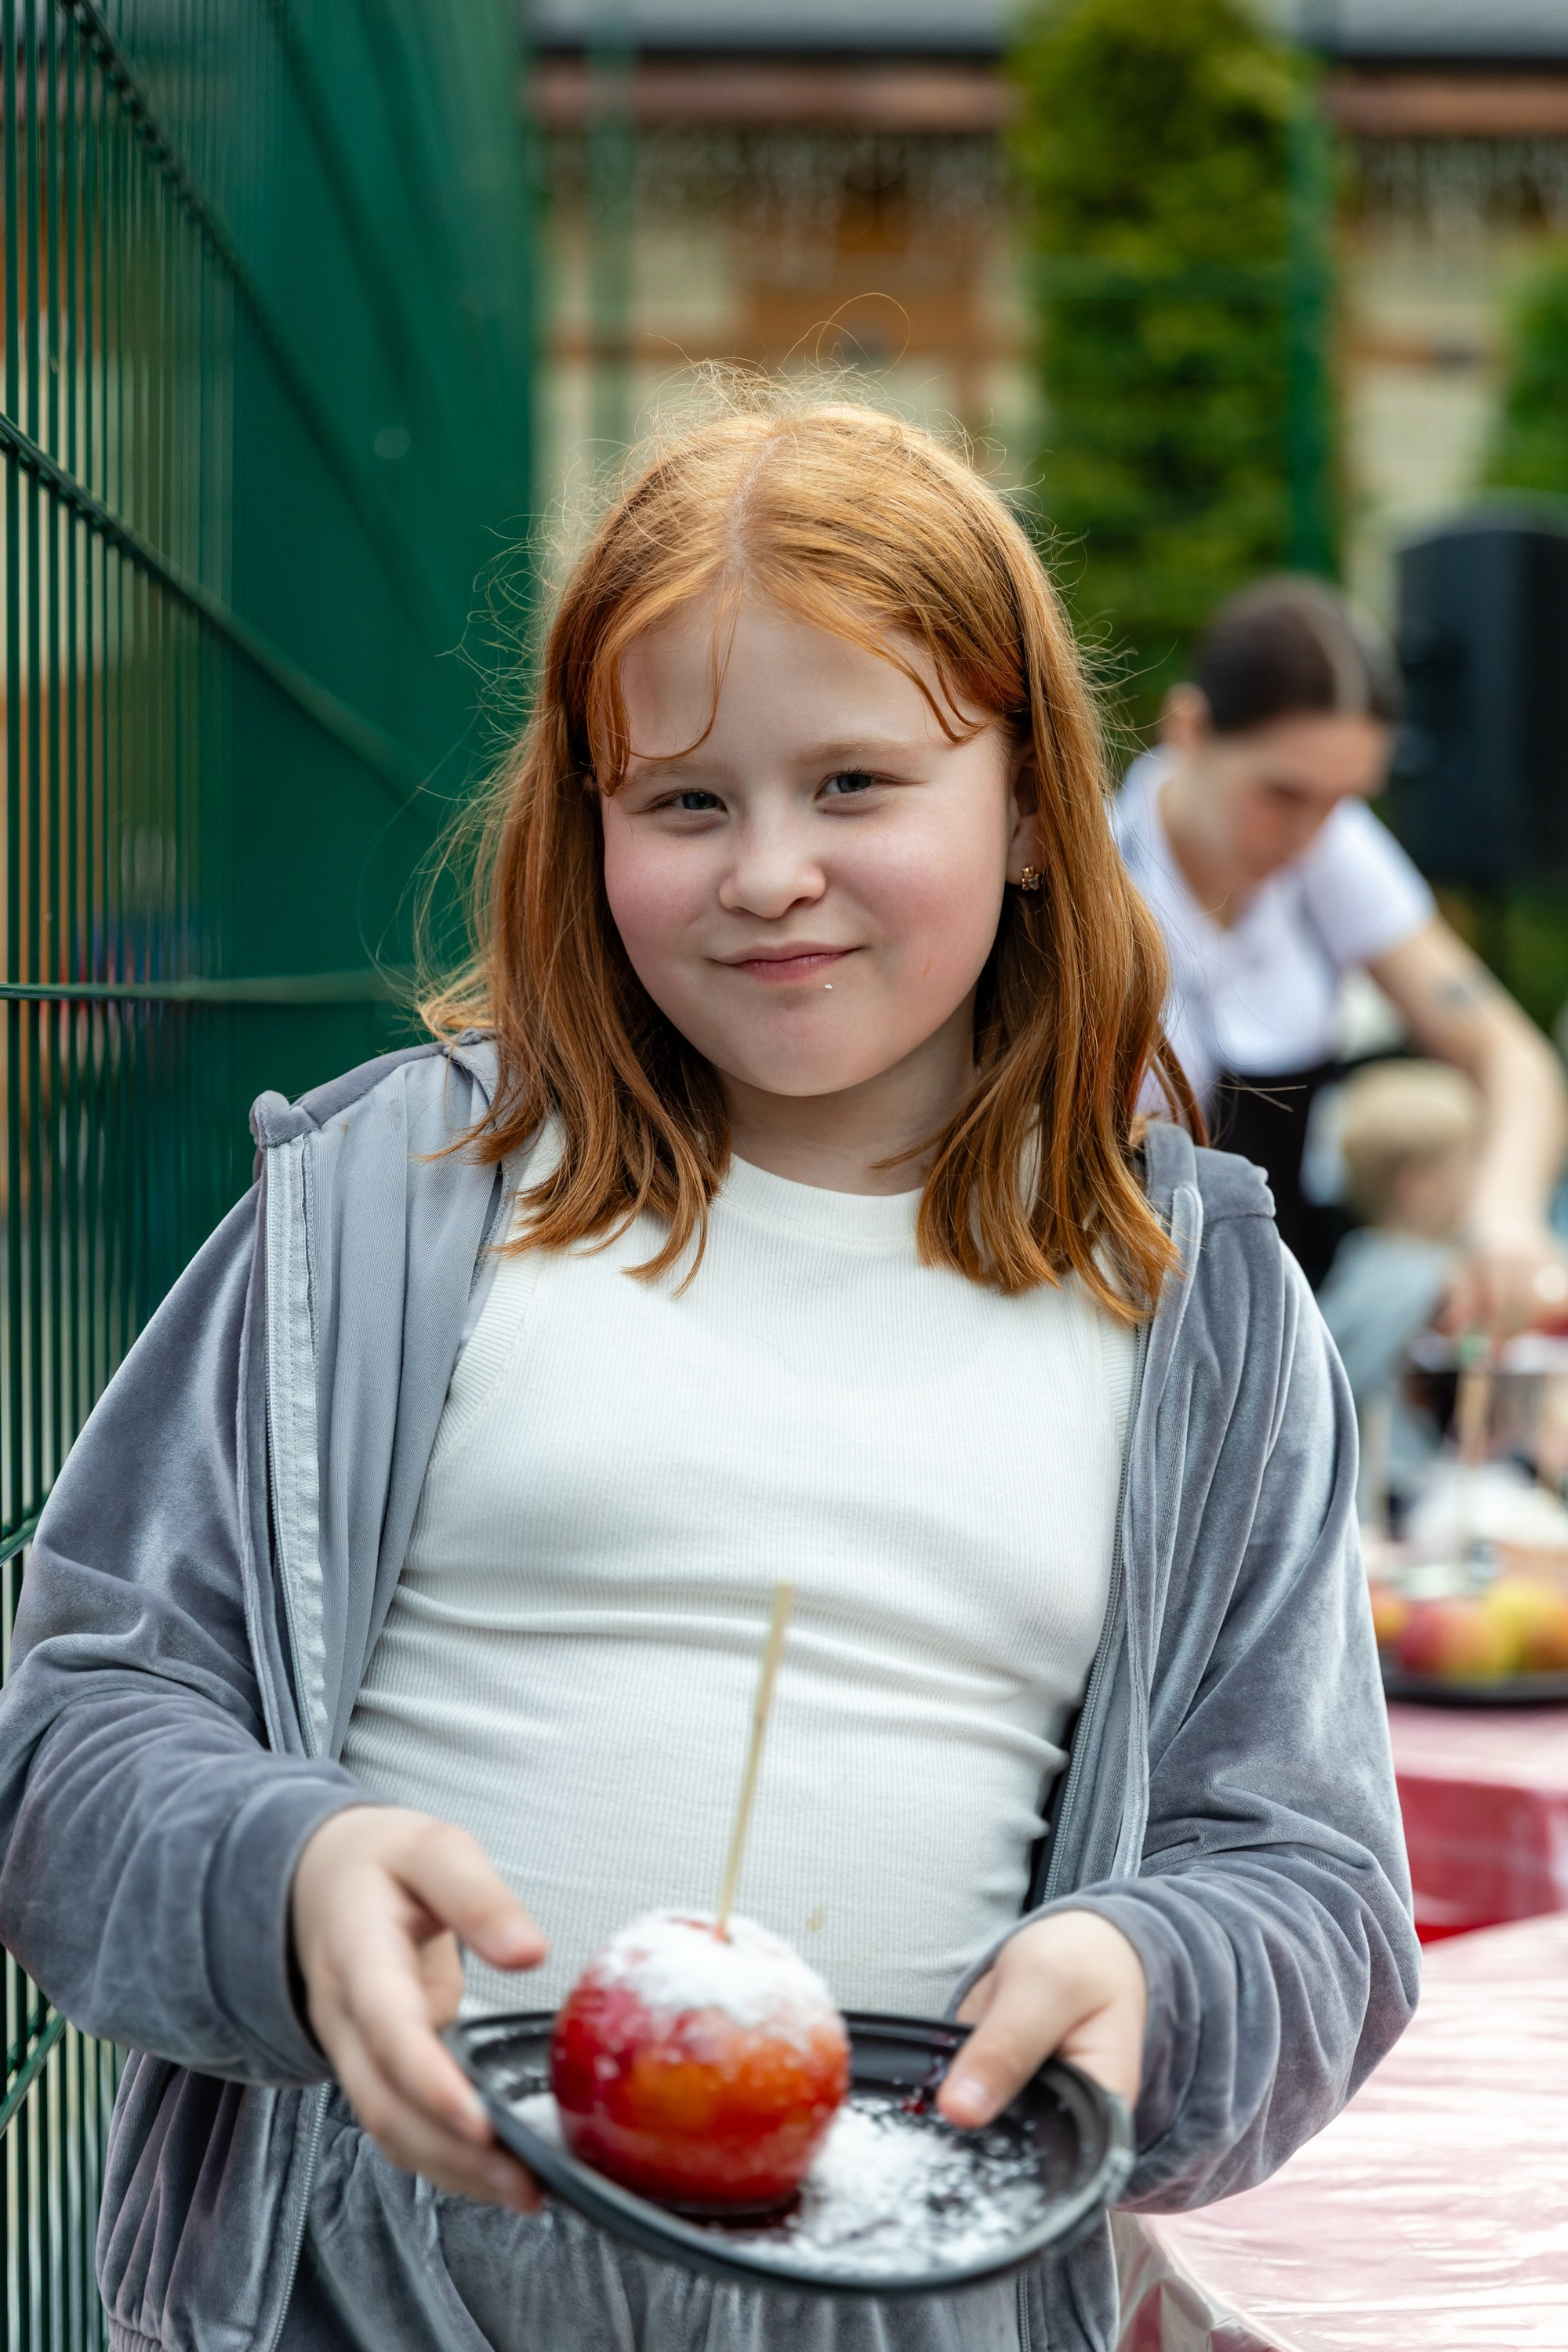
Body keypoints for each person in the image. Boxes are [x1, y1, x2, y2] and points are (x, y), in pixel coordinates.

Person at [0, 397, 1416, 2352]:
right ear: (585, 827)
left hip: (917, 2300)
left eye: (853, 782)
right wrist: (286, 1874)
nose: (765, 870)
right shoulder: (387, 1208)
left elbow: (1315, 1884)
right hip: (365, 2289)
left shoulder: (1196, 1307)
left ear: (1024, 809)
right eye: (681, 800)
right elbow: (78, 1727)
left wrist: (1151, 1968)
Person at [1114, 575, 1568, 1311]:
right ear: (1189, 731)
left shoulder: (1329, 844)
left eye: (1344, 799)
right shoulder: (1097, 888)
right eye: (1282, 795)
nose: (1308, 833)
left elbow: (1512, 1058)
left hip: (1290, 1316)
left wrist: (1504, 1222)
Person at [1317, 1059, 1483, 1485]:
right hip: (1386, 1488)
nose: (1477, 1182)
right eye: (1468, 1165)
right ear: (1420, 1186)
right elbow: (1342, 1388)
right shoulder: (1421, 1278)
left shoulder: (1361, 1258)